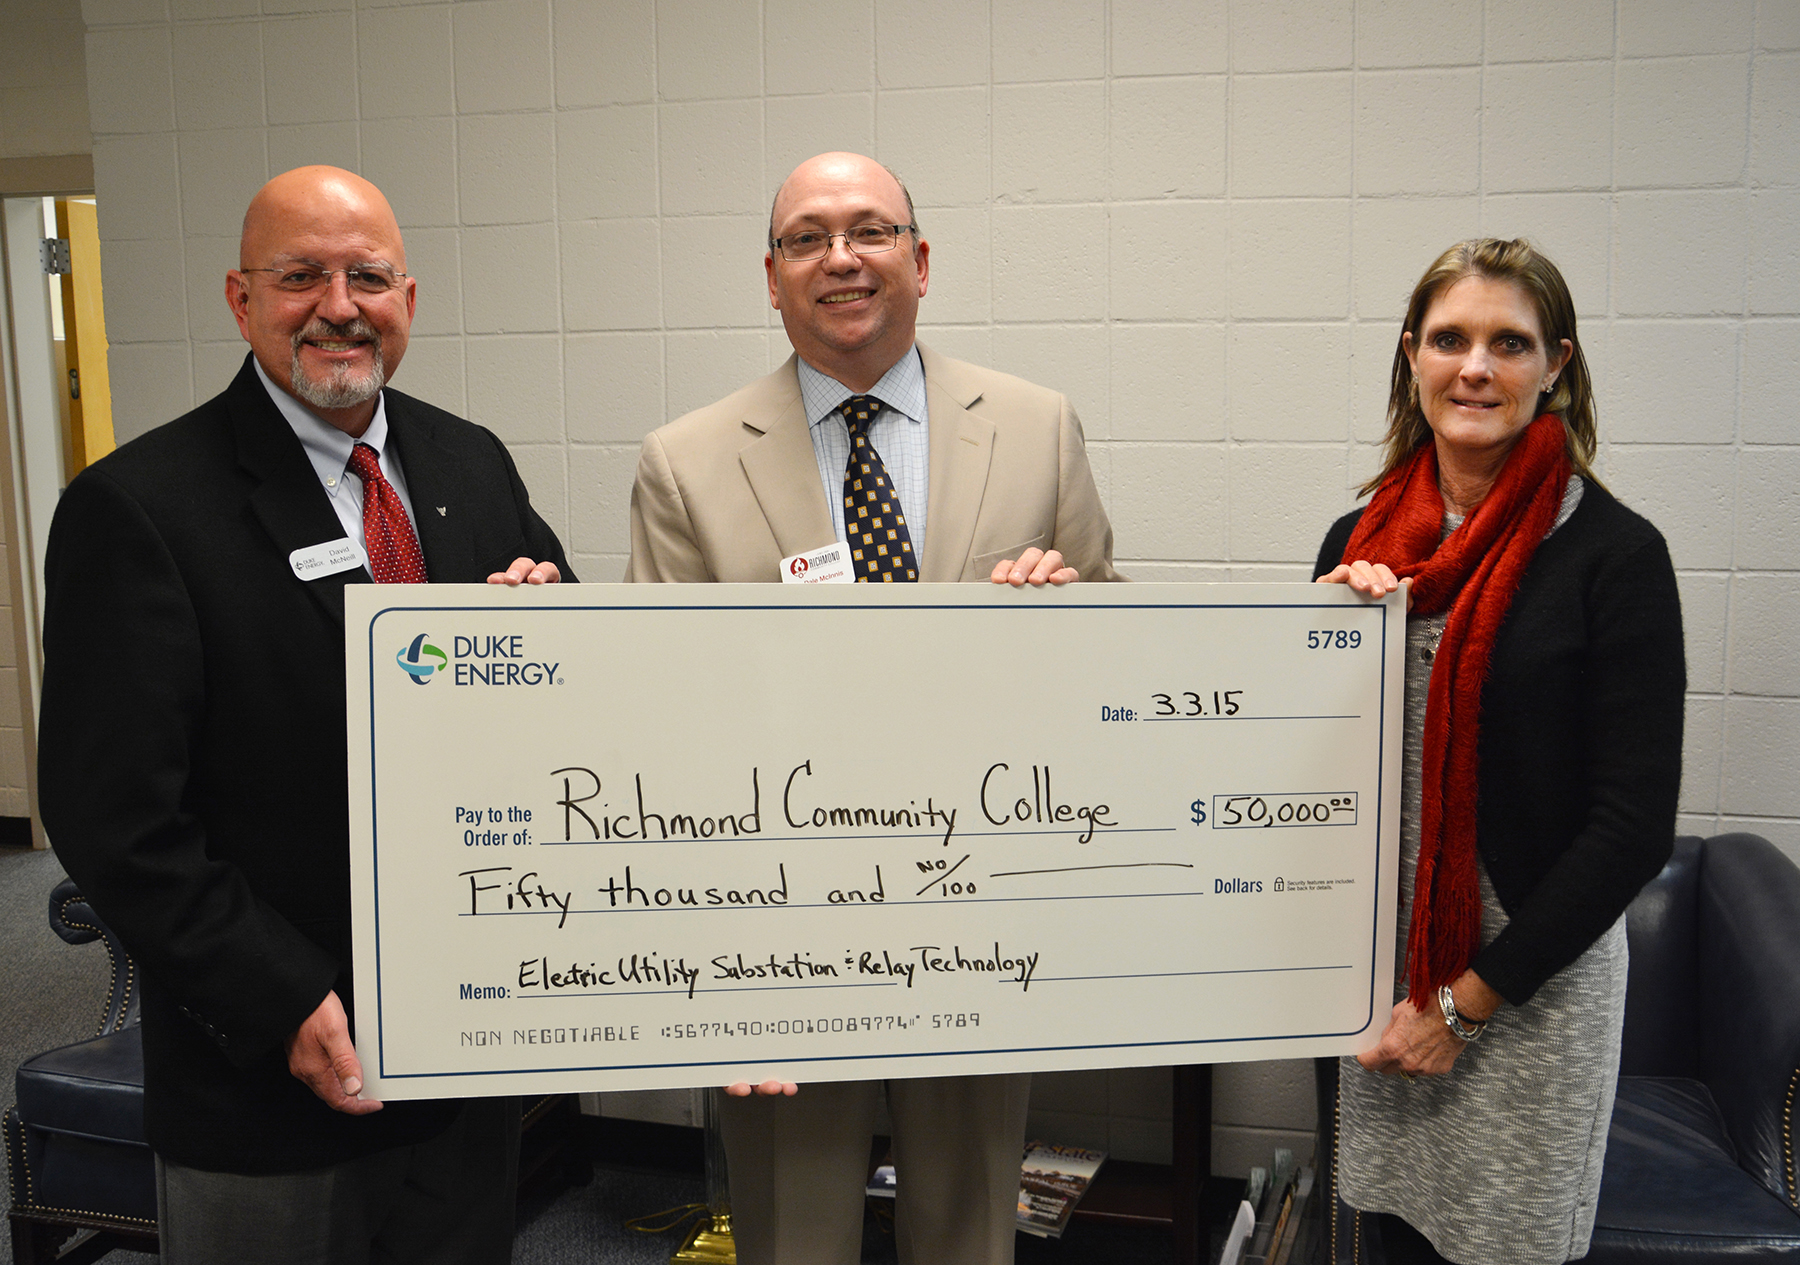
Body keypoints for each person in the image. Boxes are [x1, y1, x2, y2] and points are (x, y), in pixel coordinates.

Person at [37, 165, 571, 1264]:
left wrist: (553, 636)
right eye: (300, 276)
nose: (338, 303)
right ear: (241, 300)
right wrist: (283, 998)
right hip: (270, 1078)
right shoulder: (138, 508)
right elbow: (115, 819)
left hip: (467, 1046)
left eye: (366, 275)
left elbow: (566, 700)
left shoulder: (470, 463)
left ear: (408, 301)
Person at [627, 152, 1123, 1265]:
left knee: (965, 1222)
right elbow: (657, 714)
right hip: (780, 911)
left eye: (870, 230)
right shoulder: (686, 461)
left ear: (921, 258)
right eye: (807, 237)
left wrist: (1068, 617)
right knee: (793, 1226)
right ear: (771, 276)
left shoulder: (1038, 426)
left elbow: (1111, 646)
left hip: (983, 895)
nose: (840, 257)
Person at [1313, 238, 1684, 1265]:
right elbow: (1303, 762)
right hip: (1379, 975)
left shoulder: (1617, 555)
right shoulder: (1359, 540)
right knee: (1385, 1239)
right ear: (1411, 355)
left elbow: (1632, 826)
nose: (1475, 365)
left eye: (1508, 342)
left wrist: (1464, 1008)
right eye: (1451, 338)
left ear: (1556, 363)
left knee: (1509, 1247)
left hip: (1524, 988)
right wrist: (1316, 638)